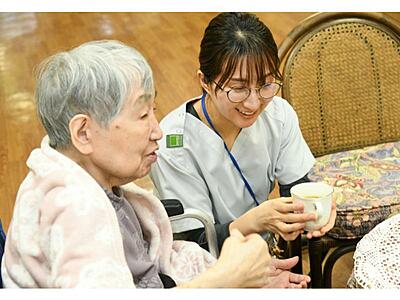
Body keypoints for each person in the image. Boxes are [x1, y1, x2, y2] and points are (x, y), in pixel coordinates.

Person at [1, 40, 310, 288]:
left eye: (154, 110)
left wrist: (235, 273)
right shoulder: (75, 210)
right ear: (83, 133)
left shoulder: (84, 181)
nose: (158, 130)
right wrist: (225, 279)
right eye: (142, 115)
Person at [150, 12, 337, 252]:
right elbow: (195, 242)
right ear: (205, 82)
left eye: (266, 85)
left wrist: (313, 212)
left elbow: (298, 187)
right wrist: (254, 222)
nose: (253, 103)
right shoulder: (173, 142)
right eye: (238, 88)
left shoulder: (278, 114)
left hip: (264, 251)